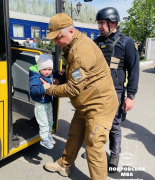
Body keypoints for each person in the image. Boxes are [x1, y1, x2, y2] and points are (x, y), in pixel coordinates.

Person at [41, 13, 119, 179]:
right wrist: (63, 75)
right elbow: (79, 76)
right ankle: (64, 165)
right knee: (74, 134)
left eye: (58, 37)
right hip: (86, 102)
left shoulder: (81, 51)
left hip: (99, 106)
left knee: (94, 146)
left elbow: (72, 89)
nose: (55, 42)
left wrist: (50, 89)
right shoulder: (72, 44)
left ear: (70, 31)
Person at [93, 7, 139, 172]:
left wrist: (131, 96)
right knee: (95, 122)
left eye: (101, 23)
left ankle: (114, 155)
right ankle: (96, 151)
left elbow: (134, 71)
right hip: (96, 92)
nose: (99, 26)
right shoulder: (97, 42)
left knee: (114, 125)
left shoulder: (126, 42)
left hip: (115, 92)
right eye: (98, 23)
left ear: (112, 22)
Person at [29, 54, 55, 149]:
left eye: (49, 69)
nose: (47, 72)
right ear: (40, 69)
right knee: (43, 122)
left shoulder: (49, 75)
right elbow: (33, 90)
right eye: (44, 69)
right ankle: (44, 139)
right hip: (40, 103)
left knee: (49, 120)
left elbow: (52, 77)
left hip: (48, 102)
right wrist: (44, 87)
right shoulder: (36, 77)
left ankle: (48, 134)